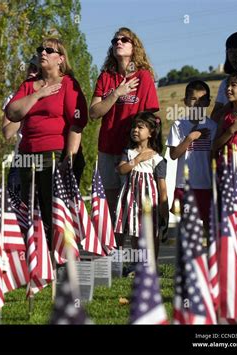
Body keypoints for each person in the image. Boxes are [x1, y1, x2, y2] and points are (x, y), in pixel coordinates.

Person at [5, 38, 88, 234]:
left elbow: (77, 124)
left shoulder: (68, 83)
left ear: (60, 59)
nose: (42, 52)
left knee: (52, 210)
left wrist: (69, 158)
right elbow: (12, 112)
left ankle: (55, 260)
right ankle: (35, 259)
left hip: (54, 155)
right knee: (29, 210)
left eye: (48, 50)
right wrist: (37, 95)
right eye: (40, 49)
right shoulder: (28, 85)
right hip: (27, 155)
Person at [89, 27, 159, 224]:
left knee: (134, 205)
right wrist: (116, 93)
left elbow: (151, 117)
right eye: (114, 40)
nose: (118, 42)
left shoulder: (144, 76)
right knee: (111, 206)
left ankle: (137, 251)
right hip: (108, 148)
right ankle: (114, 251)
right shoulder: (105, 77)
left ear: (134, 46)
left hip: (132, 150)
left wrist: (148, 150)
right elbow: (94, 113)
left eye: (124, 39)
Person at [114, 112, 168, 262]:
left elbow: (162, 188)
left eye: (140, 127)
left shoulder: (158, 159)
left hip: (150, 203)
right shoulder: (129, 153)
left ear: (151, 132)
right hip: (130, 200)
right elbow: (121, 169)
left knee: (152, 233)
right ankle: (136, 263)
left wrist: (165, 210)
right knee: (134, 231)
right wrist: (137, 159)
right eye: (133, 127)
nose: (135, 130)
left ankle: (152, 264)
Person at [166, 80, 217, 231]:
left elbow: (214, 156)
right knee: (188, 229)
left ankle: (209, 254)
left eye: (202, 100)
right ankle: (188, 256)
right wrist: (190, 138)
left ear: (208, 102)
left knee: (208, 226)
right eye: (194, 99)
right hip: (184, 185)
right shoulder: (179, 125)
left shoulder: (213, 126)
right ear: (186, 101)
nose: (197, 104)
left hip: (206, 184)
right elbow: (174, 155)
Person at [2, 55, 40, 194]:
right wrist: (24, 109)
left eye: (36, 69)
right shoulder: (13, 97)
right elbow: (7, 132)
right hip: (21, 157)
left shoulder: (48, 96)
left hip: (43, 156)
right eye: (30, 67)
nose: (31, 72)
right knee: (16, 203)